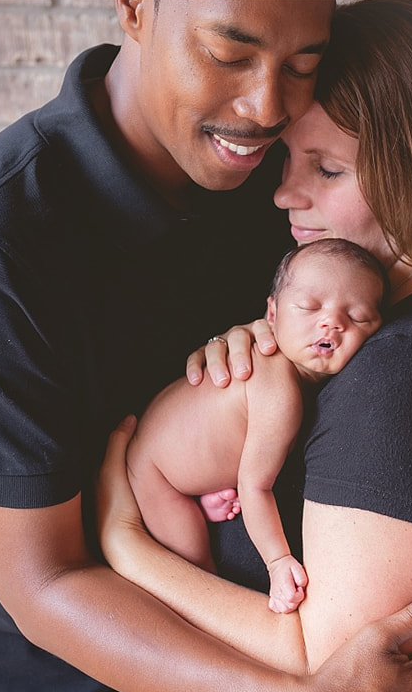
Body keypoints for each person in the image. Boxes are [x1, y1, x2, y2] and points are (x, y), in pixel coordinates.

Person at [0, 0, 412, 692]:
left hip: (255, 623)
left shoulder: (268, 166)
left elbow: (402, 281)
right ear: (136, 6)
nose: (268, 103)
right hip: (62, 687)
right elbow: (44, 585)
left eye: (303, 62)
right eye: (229, 54)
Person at [97, 0, 412, 692]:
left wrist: (125, 548)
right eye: (288, 158)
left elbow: (327, 670)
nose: (282, 193)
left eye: (327, 169)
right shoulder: (369, 316)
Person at [128, 238, 386, 613]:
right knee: (197, 570)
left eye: (358, 316)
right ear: (272, 314)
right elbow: (256, 486)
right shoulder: (278, 392)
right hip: (155, 475)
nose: (332, 321)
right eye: (309, 307)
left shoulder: (292, 375)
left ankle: (210, 488)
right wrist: (278, 562)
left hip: (171, 435)